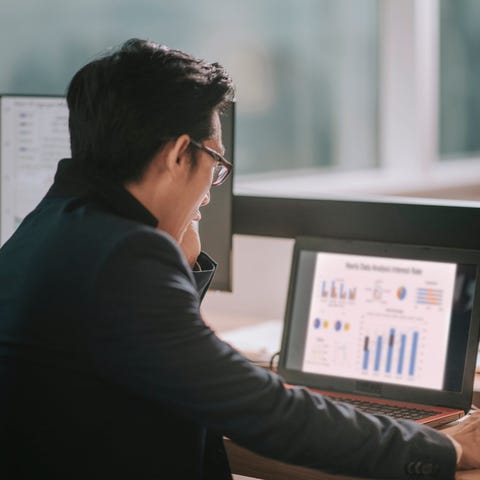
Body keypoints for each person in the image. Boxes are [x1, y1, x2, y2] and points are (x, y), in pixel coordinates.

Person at [0, 38, 478, 480]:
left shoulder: (45, 226)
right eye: (216, 162)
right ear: (178, 154)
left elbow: (157, 358)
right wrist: (442, 448)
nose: (210, 192)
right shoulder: (124, 254)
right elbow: (264, 411)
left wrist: (182, 267)